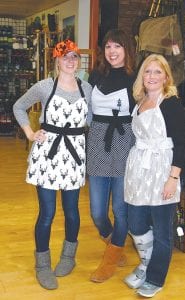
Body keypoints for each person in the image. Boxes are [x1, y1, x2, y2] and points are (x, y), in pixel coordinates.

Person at [13, 39, 92, 290]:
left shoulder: (86, 88)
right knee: (46, 213)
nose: (70, 61)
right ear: (56, 60)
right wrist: (29, 133)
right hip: (47, 155)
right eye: (65, 56)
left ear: (78, 62)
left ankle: (69, 257)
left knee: (72, 211)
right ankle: (42, 264)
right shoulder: (45, 86)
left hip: (73, 157)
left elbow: (89, 118)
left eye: (74, 57)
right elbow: (19, 106)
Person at [123, 54, 185, 297]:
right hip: (139, 169)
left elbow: (181, 144)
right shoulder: (138, 101)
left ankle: (155, 277)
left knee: (162, 230)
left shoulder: (170, 103)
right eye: (147, 72)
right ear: (142, 76)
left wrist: (173, 178)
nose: (151, 76)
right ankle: (145, 263)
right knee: (136, 223)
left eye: (157, 72)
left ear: (166, 77)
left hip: (163, 169)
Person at [87, 29, 135, 283]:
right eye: (108, 46)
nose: (112, 51)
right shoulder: (95, 75)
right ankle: (113, 242)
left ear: (127, 49)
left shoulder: (135, 78)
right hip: (97, 141)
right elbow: (85, 110)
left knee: (120, 207)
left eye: (117, 46)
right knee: (97, 210)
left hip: (124, 142)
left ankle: (111, 257)